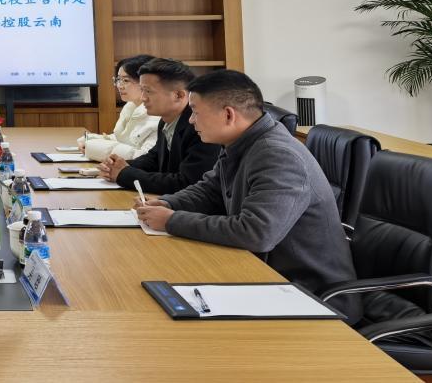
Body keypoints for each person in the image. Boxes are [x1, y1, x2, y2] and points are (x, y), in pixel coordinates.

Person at [134, 70, 358, 304]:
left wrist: (171, 221)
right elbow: (210, 190)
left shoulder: (278, 155)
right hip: (266, 274)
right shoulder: (241, 142)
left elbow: (256, 233)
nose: (191, 120)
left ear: (228, 115)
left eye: (196, 112)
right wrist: (168, 203)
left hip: (309, 293)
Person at [99, 58, 218, 194]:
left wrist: (125, 174)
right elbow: (154, 159)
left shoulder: (200, 126)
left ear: (178, 95)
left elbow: (186, 182)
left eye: (148, 91)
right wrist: (118, 166)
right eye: (142, 90)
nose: (143, 98)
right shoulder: (166, 120)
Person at [82, 54, 159, 162]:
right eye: (118, 79)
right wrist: (90, 139)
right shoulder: (130, 107)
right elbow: (123, 140)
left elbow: (142, 157)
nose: (119, 85)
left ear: (144, 82)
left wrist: (93, 147)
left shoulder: (157, 115)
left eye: (126, 80)